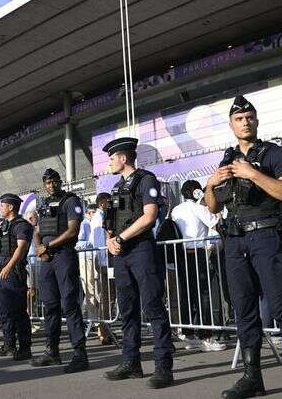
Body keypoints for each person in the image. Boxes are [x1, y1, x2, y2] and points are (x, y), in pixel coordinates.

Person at [205, 96, 282, 399]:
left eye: (249, 117)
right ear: (231, 124)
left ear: (256, 120)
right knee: (244, 310)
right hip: (235, 241)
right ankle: (252, 377)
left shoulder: (275, 154)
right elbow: (212, 208)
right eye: (239, 119)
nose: (245, 122)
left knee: (281, 307)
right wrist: (211, 184)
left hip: (266, 237)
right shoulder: (226, 159)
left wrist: (253, 174)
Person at [101, 138, 174, 389]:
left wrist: (120, 237)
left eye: (111, 158)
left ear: (123, 158)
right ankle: (131, 362)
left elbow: (150, 216)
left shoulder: (146, 179)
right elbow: (109, 223)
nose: (108, 163)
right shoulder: (116, 188)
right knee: (127, 309)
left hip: (141, 250)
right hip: (121, 253)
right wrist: (110, 240)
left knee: (153, 307)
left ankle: (164, 367)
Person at [31, 168, 88, 373]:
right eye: (47, 182)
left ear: (60, 182)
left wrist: (48, 246)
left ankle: (80, 354)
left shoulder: (71, 201)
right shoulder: (44, 204)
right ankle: (52, 352)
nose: (51, 185)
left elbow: (73, 230)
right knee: (50, 306)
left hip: (64, 256)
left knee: (70, 305)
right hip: (46, 260)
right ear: (44, 185)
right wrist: (40, 249)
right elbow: (37, 231)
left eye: (54, 181)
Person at [170, 179, 226, 352]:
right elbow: (214, 221)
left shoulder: (176, 209)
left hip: (180, 255)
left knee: (186, 294)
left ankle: (189, 334)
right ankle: (206, 336)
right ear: (196, 192)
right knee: (203, 294)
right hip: (197, 253)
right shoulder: (197, 208)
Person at [0, 194, 34, 361]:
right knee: (3, 310)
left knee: (18, 311)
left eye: (2, 206)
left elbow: (21, 248)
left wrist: (9, 266)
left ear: (11, 207)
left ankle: (25, 347)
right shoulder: (2, 226)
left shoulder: (22, 226)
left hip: (13, 272)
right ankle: (9, 344)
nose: (0, 208)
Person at [91, 192, 113, 343]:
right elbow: (100, 243)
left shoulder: (100, 217)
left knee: (108, 296)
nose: (111, 205)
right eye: (109, 203)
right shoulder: (99, 218)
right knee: (108, 296)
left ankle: (104, 330)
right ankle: (104, 331)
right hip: (104, 261)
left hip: (104, 261)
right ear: (102, 204)